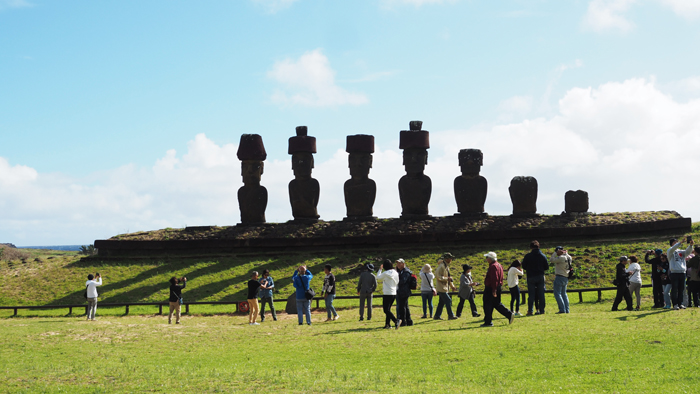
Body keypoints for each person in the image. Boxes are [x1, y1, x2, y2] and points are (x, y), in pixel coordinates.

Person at [481, 252, 515, 327]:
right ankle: (508, 314)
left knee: (487, 304)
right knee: (496, 303)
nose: (486, 259)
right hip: (498, 286)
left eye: (487, 257)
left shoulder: (493, 266)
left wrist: (493, 290)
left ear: (490, 258)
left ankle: (488, 321)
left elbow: (494, 279)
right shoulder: (499, 265)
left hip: (491, 288)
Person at [522, 240, 549, 315]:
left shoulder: (528, 256)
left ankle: (530, 310)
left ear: (531, 247)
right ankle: (542, 310)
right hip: (540, 276)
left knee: (531, 295)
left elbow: (524, 266)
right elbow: (546, 267)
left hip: (531, 276)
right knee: (541, 294)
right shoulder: (543, 256)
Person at [668, 238, 694, 310]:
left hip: (682, 272)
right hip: (674, 272)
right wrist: (680, 243)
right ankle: (675, 304)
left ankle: (680, 303)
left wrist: (691, 245)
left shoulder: (681, 251)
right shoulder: (670, 251)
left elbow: (687, 252)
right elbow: (673, 248)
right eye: (675, 242)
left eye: (677, 242)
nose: (677, 243)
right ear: (671, 244)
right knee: (674, 289)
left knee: (681, 289)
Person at [434, 252, 458, 320]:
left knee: (442, 302)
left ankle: (437, 316)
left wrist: (452, 286)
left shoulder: (446, 266)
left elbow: (448, 277)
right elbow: (438, 276)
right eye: (450, 258)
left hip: (444, 287)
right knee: (448, 300)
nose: (451, 260)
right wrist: (447, 279)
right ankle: (450, 315)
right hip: (441, 287)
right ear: (446, 259)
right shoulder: (441, 266)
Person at [376, 259, 399, 329]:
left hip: (387, 293)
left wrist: (380, 269)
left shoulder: (385, 273)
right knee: (388, 309)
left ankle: (396, 320)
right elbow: (397, 281)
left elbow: (378, 277)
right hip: (394, 292)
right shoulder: (395, 272)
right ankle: (387, 324)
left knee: (386, 310)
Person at [550, 246, 572, 314]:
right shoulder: (569, 257)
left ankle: (562, 309)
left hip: (560, 276)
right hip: (566, 276)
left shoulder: (561, 258)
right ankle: (567, 309)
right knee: (564, 294)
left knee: (557, 294)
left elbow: (551, 260)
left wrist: (555, 253)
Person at [395, 258, 414, 328]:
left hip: (404, 291)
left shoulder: (406, 272)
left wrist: (396, 278)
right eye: (397, 263)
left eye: (399, 263)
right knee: (405, 306)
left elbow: (402, 281)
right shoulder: (401, 271)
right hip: (401, 291)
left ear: (403, 264)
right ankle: (408, 321)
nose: (398, 265)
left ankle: (403, 321)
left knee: (402, 307)